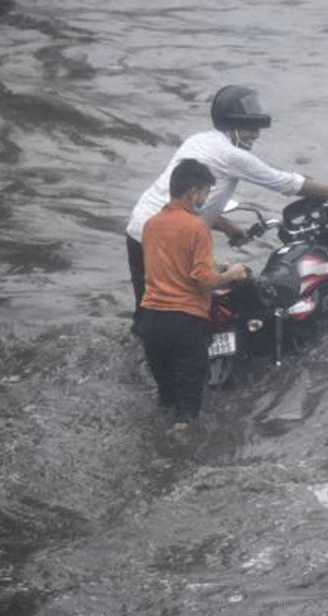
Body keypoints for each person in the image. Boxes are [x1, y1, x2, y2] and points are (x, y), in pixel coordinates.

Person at [126, 85, 328, 333]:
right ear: (233, 125)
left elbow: (189, 199)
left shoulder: (198, 141)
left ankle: (142, 355)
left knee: (149, 307)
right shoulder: (232, 155)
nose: (256, 136)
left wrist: (229, 228)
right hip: (169, 239)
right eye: (251, 130)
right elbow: (285, 182)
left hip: (139, 229)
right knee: (190, 308)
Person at [139, 158, 250, 432]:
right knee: (187, 410)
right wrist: (232, 274)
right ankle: (179, 458)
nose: (205, 199)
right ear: (193, 192)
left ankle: (156, 449)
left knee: (165, 398)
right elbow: (202, 281)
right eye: (205, 193)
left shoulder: (151, 225)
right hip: (185, 323)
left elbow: (164, 269)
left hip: (151, 321)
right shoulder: (196, 226)